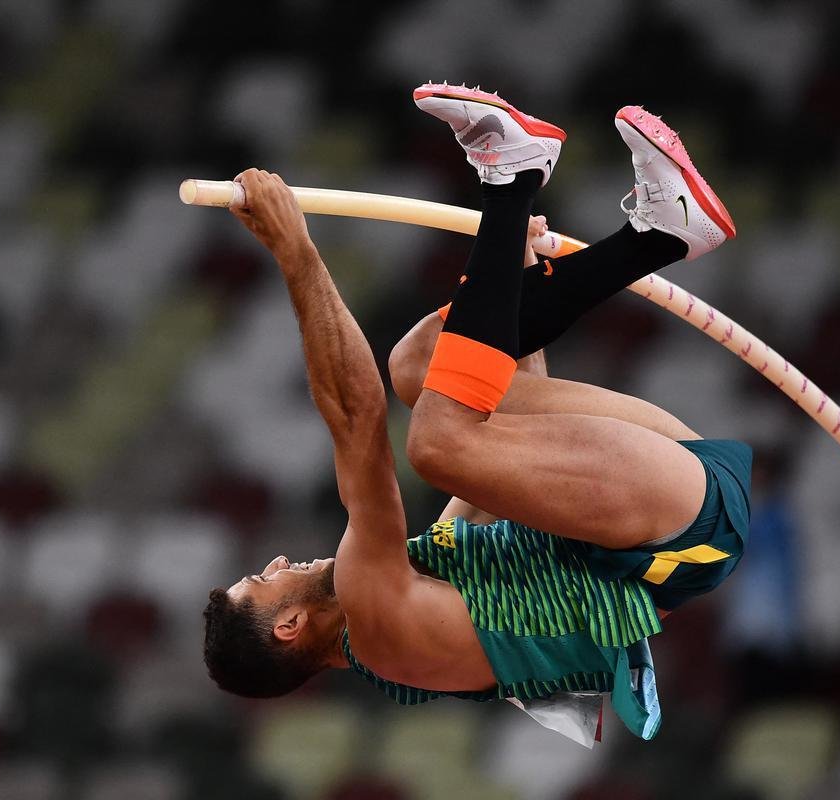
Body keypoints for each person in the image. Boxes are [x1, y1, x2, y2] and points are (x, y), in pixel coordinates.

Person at [203, 83, 752, 742]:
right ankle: (513, 176)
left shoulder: (431, 590)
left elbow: (507, 431)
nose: (277, 561)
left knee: (420, 366)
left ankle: (660, 234)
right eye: (261, 581)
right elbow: (354, 417)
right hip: (679, 534)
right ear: (289, 626)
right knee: (435, 445)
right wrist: (295, 251)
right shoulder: (378, 621)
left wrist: (514, 262)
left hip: (658, 499)